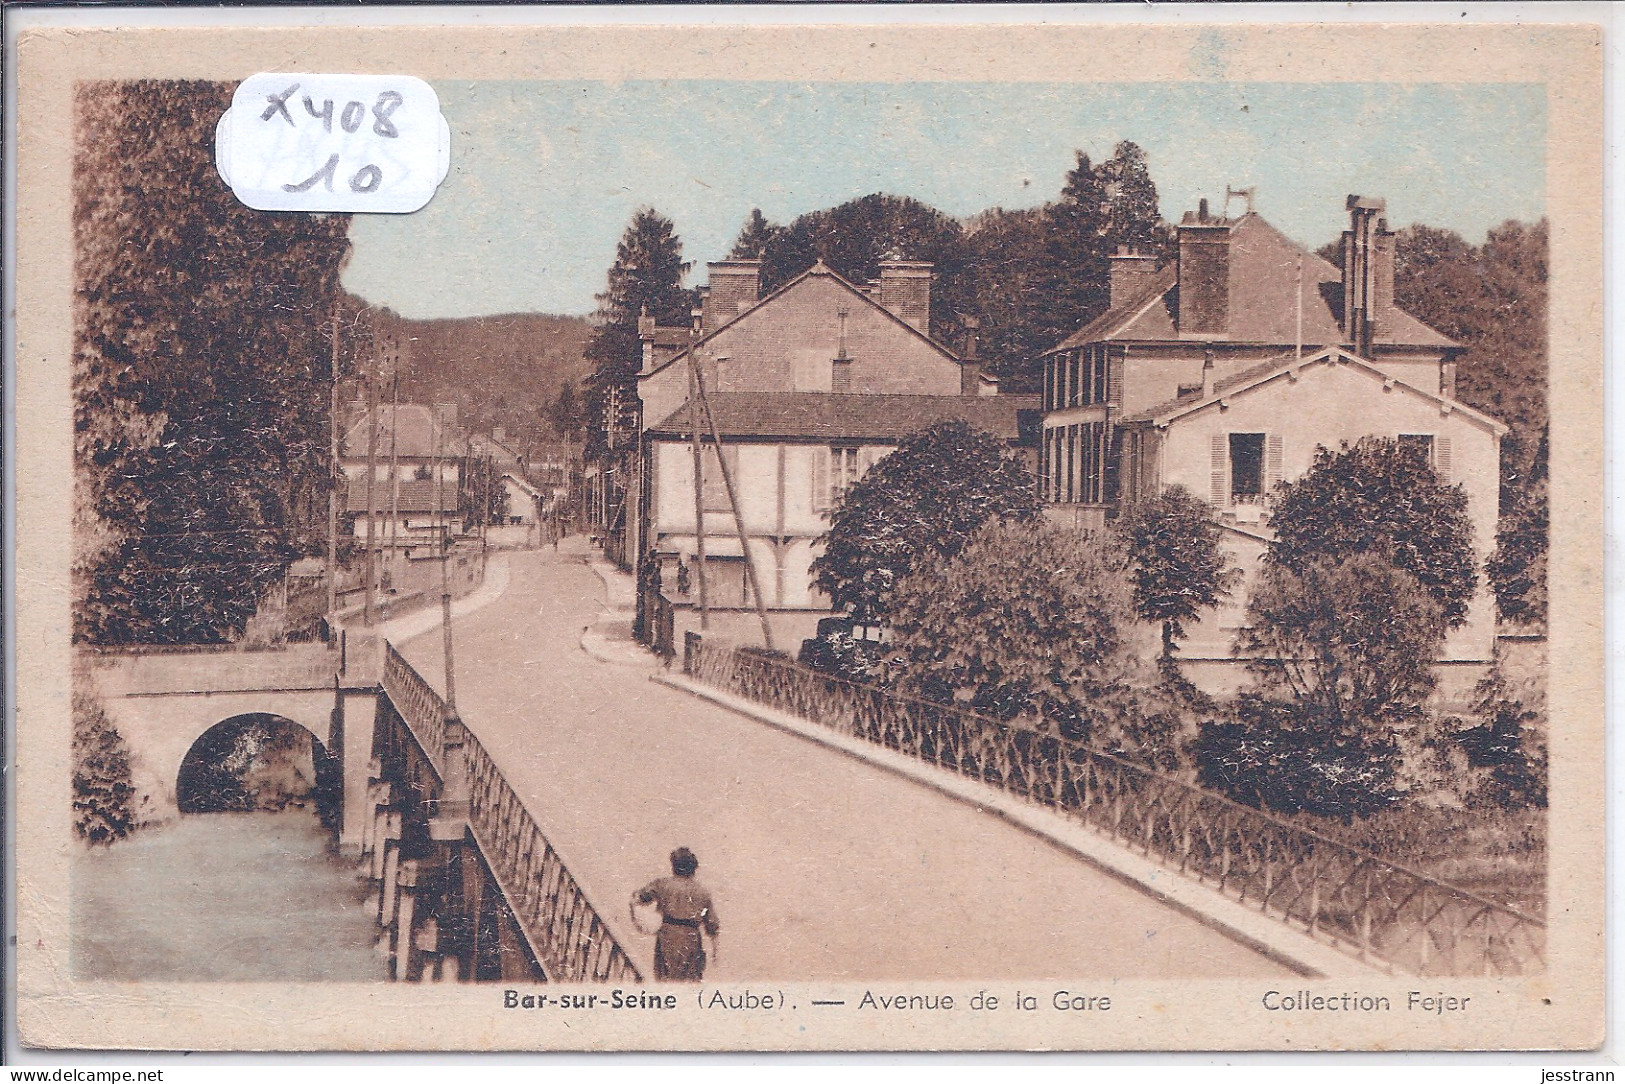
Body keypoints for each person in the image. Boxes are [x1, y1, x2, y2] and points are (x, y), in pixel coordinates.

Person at [630, 847, 719, 981]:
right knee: (690, 981)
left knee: (665, 978)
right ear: (693, 867)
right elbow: (712, 925)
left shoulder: (662, 884)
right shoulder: (702, 892)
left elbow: (641, 897)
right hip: (691, 938)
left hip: (668, 936)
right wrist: (715, 952)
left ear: (674, 865)